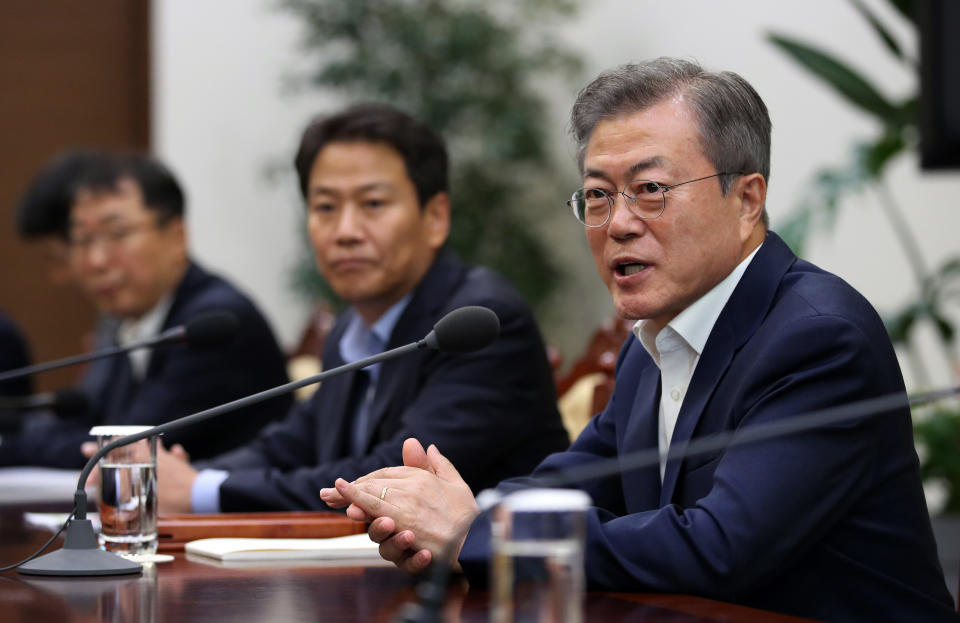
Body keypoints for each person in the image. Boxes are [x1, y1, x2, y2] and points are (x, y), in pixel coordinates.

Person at [321, 59, 958, 622]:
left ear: (746, 200)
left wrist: (478, 533)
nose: (619, 223)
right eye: (598, 195)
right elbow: (572, 484)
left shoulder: (817, 339)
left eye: (651, 190)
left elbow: (718, 549)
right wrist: (450, 518)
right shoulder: (655, 342)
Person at [154, 103, 569, 513]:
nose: (346, 232)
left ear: (436, 217)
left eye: (372, 204)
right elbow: (291, 444)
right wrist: (182, 478)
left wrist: (201, 491)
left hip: (494, 576)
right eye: (326, 208)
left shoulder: (479, 325)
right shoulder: (352, 329)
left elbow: (388, 477)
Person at [0, 151, 292, 467]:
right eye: (83, 240)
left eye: (118, 234)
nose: (97, 261)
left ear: (177, 238)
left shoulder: (213, 325)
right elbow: (87, 421)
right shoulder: (127, 320)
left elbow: (122, 447)